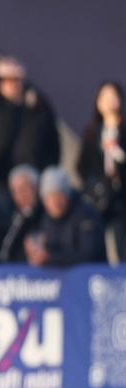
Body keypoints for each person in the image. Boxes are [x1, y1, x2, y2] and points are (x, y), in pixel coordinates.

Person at [0, 55, 60, 189]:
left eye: (16, 80)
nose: (12, 84)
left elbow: (53, 142)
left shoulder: (37, 106)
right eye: (7, 80)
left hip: (28, 179)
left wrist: (44, 171)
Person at [76, 81, 126, 262]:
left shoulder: (123, 131)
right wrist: (94, 185)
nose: (109, 102)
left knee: (122, 243)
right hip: (99, 198)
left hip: (121, 198)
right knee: (97, 242)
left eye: (113, 96)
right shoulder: (92, 132)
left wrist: (117, 154)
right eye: (104, 97)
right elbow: (81, 166)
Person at [25, 167, 105, 267]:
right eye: (50, 197)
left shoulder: (85, 215)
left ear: (67, 195)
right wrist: (35, 252)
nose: (55, 202)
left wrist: (49, 257)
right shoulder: (45, 218)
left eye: (59, 195)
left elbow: (88, 255)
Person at [0, 164, 43, 263]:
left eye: (25, 188)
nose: (21, 194)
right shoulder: (9, 217)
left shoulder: (46, 216)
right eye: (16, 191)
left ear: (36, 188)